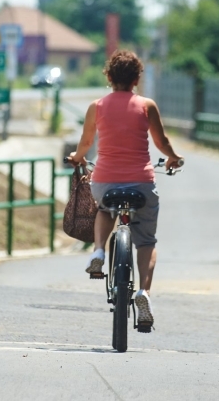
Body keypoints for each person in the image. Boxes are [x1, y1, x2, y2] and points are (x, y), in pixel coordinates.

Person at [68, 50, 184, 330]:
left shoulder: (96, 107)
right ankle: (143, 292)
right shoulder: (147, 105)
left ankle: (98, 252)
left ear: (108, 76)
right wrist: (172, 157)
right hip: (141, 184)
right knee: (145, 241)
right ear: (136, 79)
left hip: (105, 180)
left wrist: (77, 157)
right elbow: (162, 141)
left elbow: (85, 142)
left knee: (105, 209)